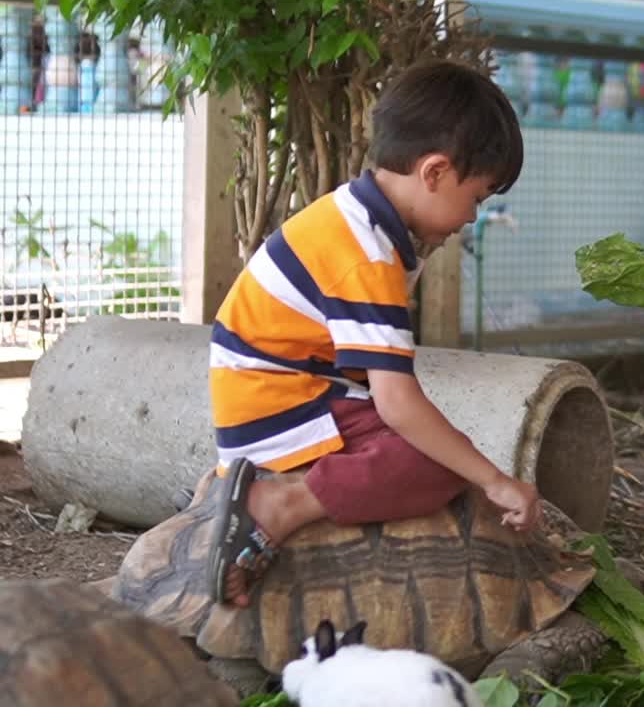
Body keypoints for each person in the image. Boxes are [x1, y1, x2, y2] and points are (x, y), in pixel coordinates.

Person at [206, 58, 541, 608]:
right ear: (434, 173)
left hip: (288, 388)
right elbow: (397, 404)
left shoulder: (360, 221)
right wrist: (496, 481)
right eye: (477, 198)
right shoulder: (365, 254)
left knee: (442, 445)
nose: (472, 218)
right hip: (278, 405)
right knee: (434, 463)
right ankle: (279, 507)